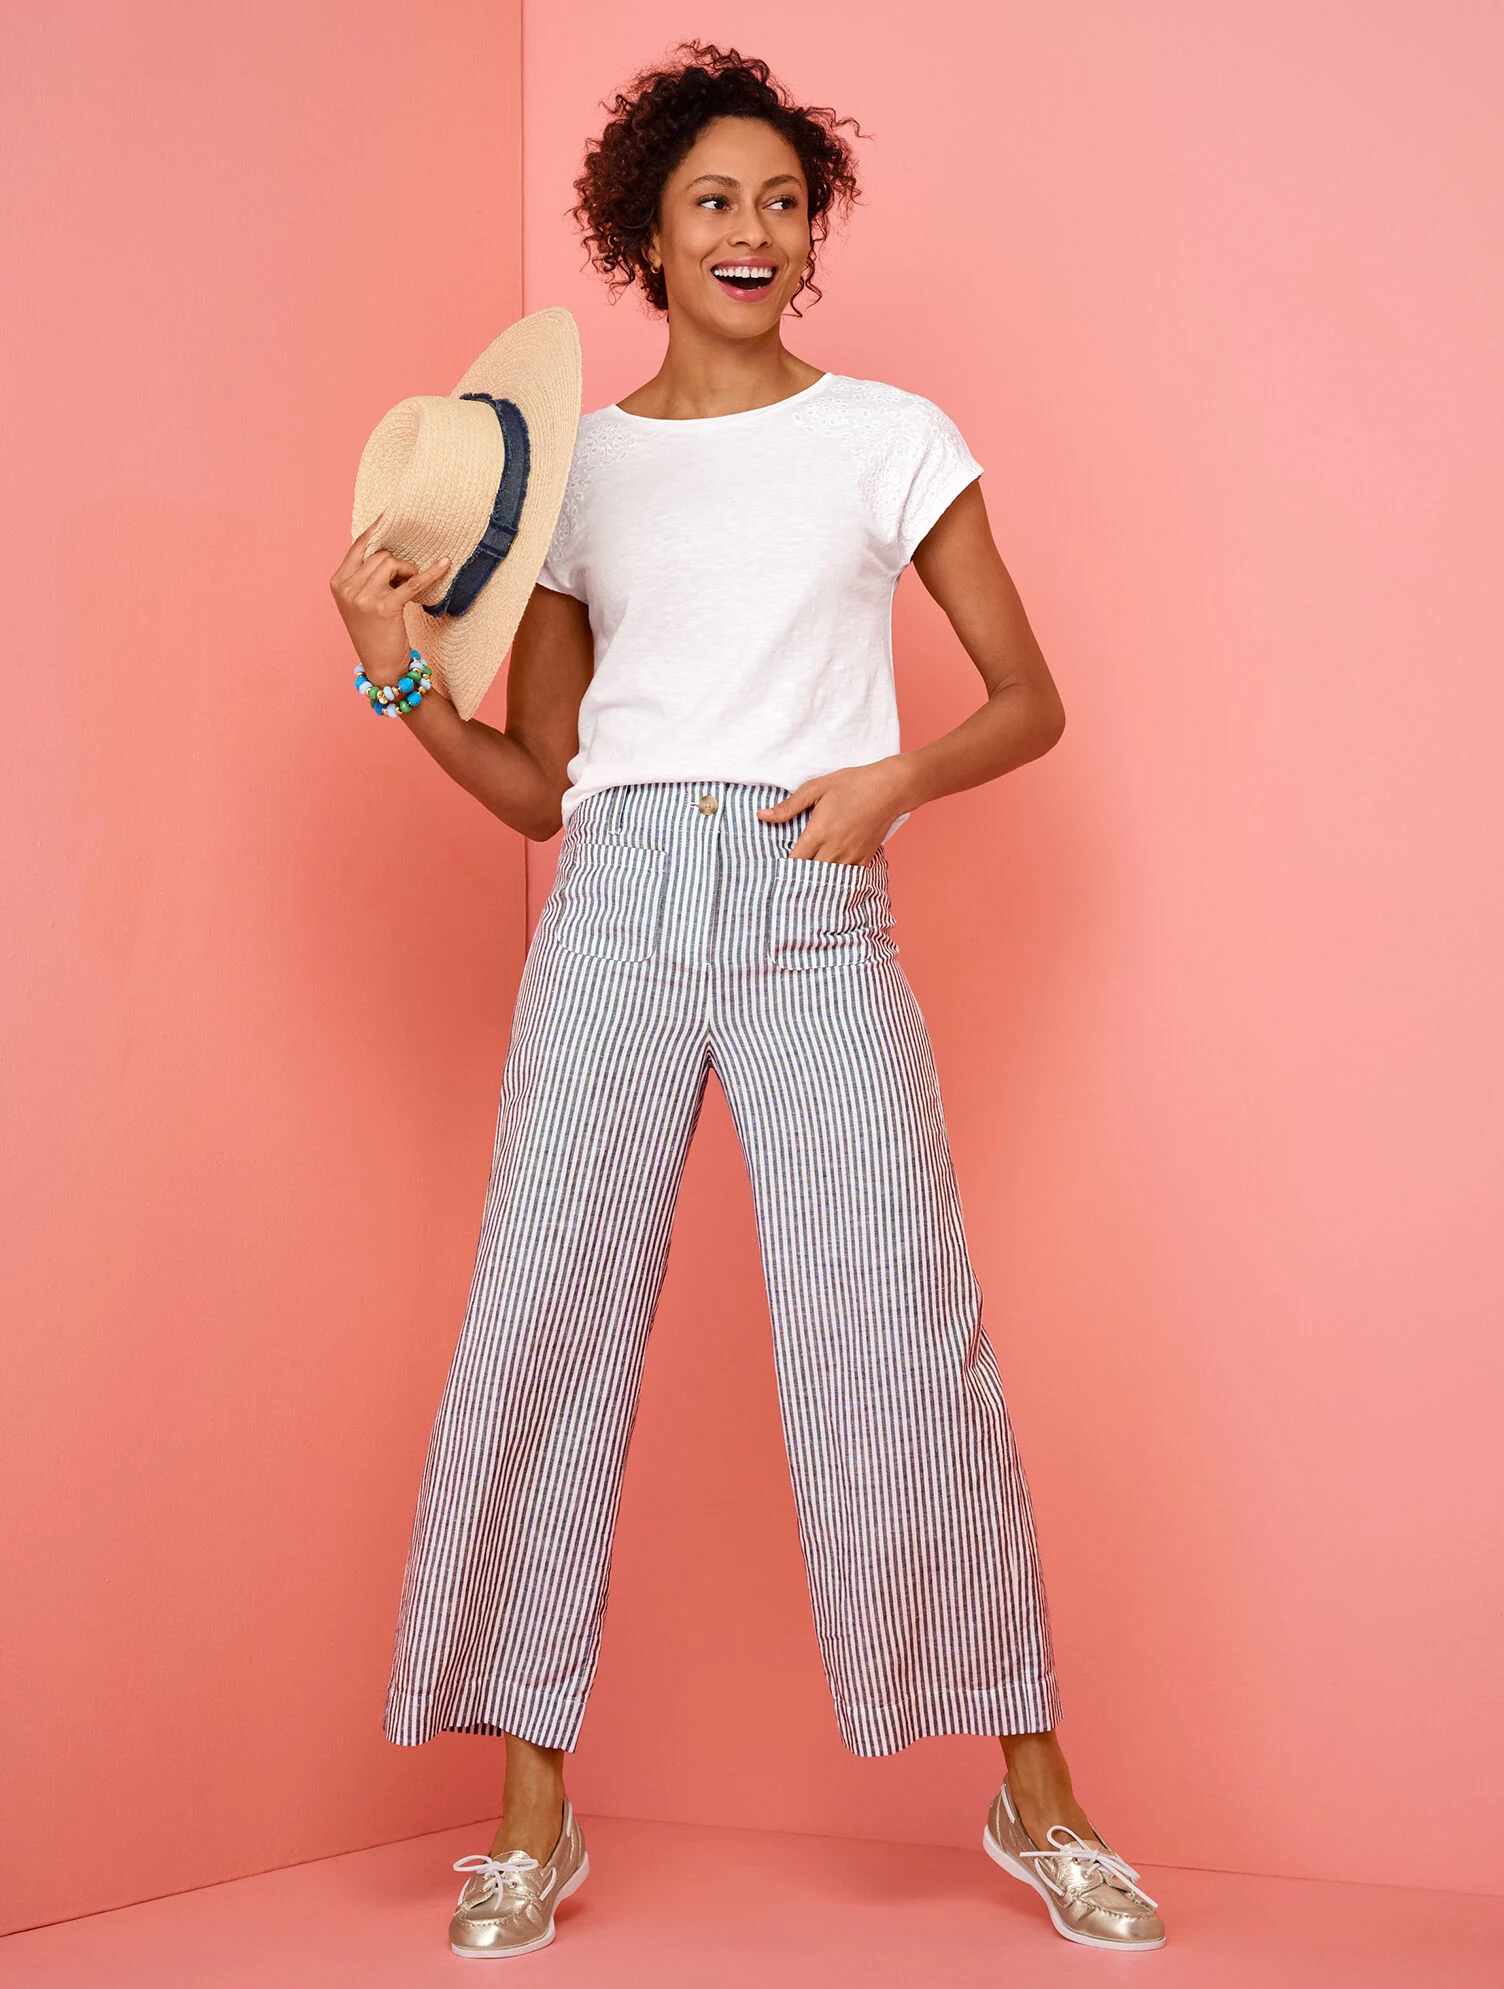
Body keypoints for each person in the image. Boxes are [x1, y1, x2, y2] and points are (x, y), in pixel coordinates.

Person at [330, 39, 1165, 1962]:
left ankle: (1038, 1799)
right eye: (715, 200)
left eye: (784, 201)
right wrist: (392, 678)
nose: (755, 230)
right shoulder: (585, 475)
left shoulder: (887, 436)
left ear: (815, 233)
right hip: (614, 903)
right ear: (646, 231)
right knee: (541, 1322)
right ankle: (534, 1819)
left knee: (906, 1336)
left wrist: (890, 788)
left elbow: (1027, 696)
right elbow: (544, 784)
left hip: (811, 890)